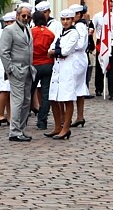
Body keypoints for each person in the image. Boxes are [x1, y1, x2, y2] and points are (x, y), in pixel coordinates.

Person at [0, 4, 35, 142]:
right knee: (18, 101)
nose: (26, 18)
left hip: (28, 69)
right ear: (17, 16)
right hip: (16, 70)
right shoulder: (9, 30)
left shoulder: (28, 29)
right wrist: (10, 69)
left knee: (27, 101)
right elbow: (4, 52)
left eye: (28, 16)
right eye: (23, 16)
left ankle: (20, 129)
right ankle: (14, 131)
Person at [46, 8, 81, 139]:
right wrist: (54, 51)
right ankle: (57, 126)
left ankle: (66, 128)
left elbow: (65, 51)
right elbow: (51, 47)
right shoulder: (60, 32)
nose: (65, 22)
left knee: (67, 98)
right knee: (53, 98)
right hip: (57, 66)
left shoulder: (74, 34)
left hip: (68, 67)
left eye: (68, 19)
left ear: (72, 20)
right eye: (63, 19)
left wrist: (55, 52)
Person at [30, 10, 56, 131]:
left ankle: (23, 118)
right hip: (47, 64)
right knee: (46, 94)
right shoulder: (50, 33)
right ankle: (42, 121)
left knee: (28, 92)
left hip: (34, 64)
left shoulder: (31, 33)